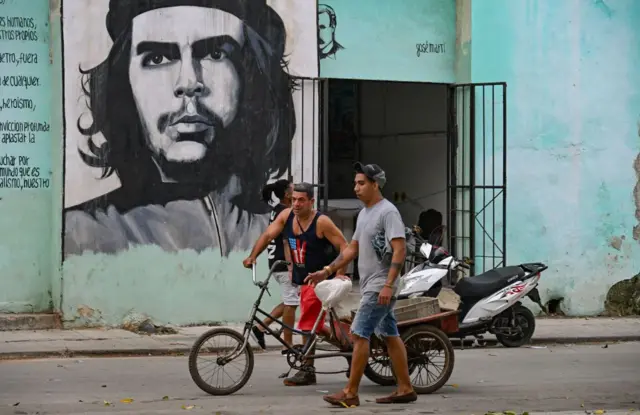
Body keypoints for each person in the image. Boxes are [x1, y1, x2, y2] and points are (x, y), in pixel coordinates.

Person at [306, 162, 417, 407]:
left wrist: (389, 284)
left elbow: (399, 249)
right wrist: (327, 271)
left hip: (380, 285)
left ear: (375, 185)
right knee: (390, 334)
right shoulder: (365, 213)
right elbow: (352, 249)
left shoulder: (388, 212)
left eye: (361, 183)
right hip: (371, 284)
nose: (356, 188)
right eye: (355, 183)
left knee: (359, 333)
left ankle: (350, 392)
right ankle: (406, 388)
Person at [243, 182, 349, 386]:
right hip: (303, 278)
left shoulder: (321, 222)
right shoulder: (286, 216)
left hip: (321, 279)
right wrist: (252, 256)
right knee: (314, 324)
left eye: (301, 200)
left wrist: (339, 275)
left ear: (311, 201)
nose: (296, 204)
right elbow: (268, 235)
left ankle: (308, 370)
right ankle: (348, 347)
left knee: (307, 323)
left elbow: (344, 245)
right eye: (293, 200)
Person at [251, 180, 298, 352]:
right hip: (285, 265)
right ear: (287, 194)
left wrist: (253, 256)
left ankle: (261, 327)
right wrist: (292, 266)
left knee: (290, 301)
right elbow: (285, 241)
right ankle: (288, 343)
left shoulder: (277, 210)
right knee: (292, 303)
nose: (297, 191)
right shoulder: (287, 212)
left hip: (277, 264)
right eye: (294, 189)